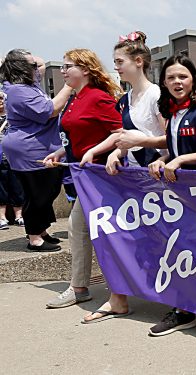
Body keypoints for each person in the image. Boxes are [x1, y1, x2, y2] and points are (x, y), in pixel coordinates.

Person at [82, 31, 166, 324]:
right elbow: (121, 135)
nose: (115, 66)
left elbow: (170, 139)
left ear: (138, 61)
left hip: (156, 181)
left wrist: (138, 142)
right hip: (130, 180)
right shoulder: (125, 98)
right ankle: (117, 298)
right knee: (116, 236)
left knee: (160, 243)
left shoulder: (158, 95)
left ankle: (177, 301)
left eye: (119, 61)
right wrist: (111, 153)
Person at [42, 49, 123, 309]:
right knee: (81, 230)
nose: (63, 71)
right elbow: (75, 136)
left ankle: (85, 288)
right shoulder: (74, 99)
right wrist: (58, 152)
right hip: (83, 176)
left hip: (102, 177)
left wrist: (96, 153)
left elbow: (120, 134)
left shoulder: (99, 98)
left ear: (85, 69)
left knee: (81, 229)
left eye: (68, 66)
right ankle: (84, 287)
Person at [146, 54, 196, 336]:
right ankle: (184, 309)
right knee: (180, 252)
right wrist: (163, 158)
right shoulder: (172, 113)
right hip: (179, 197)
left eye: (183, 76)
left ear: (193, 80)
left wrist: (179, 160)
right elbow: (175, 150)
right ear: (163, 83)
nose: (177, 82)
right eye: (171, 78)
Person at [0, 49, 72, 251]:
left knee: (48, 190)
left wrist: (18, 59)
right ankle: (34, 237)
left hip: (39, 146)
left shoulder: (27, 83)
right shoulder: (18, 90)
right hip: (29, 148)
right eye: (31, 65)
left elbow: (40, 63)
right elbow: (50, 110)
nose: (37, 68)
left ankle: (41, 230)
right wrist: (68, 85)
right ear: (21, 68)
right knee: (38, 193)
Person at [0, 90, 25, 229]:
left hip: (14, 158)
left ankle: (19, 216)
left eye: (2, 98)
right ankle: (2, 218)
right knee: (0, 188)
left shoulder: (14, 118)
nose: (0, 101)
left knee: (17, 187)